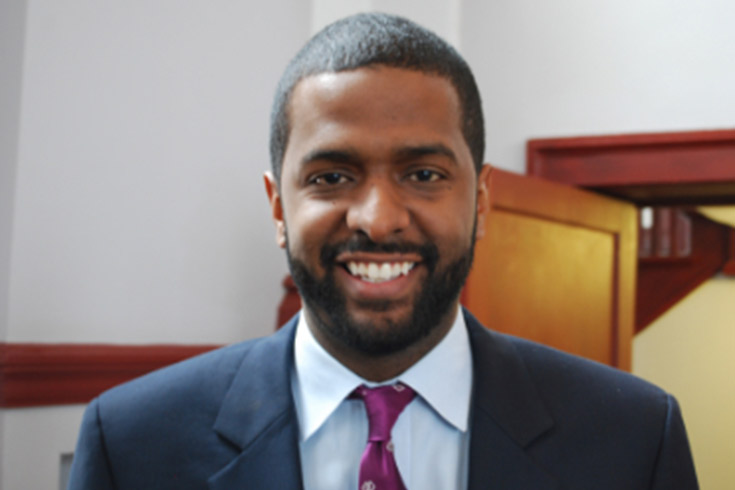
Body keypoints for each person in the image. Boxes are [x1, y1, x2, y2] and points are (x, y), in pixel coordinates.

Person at [67, 12, 698, 490]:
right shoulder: (131, 442)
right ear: (279, 208)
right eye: (331, 177)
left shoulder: (633, 439)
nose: (377, 219)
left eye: (423, 175)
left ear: (480, 203)